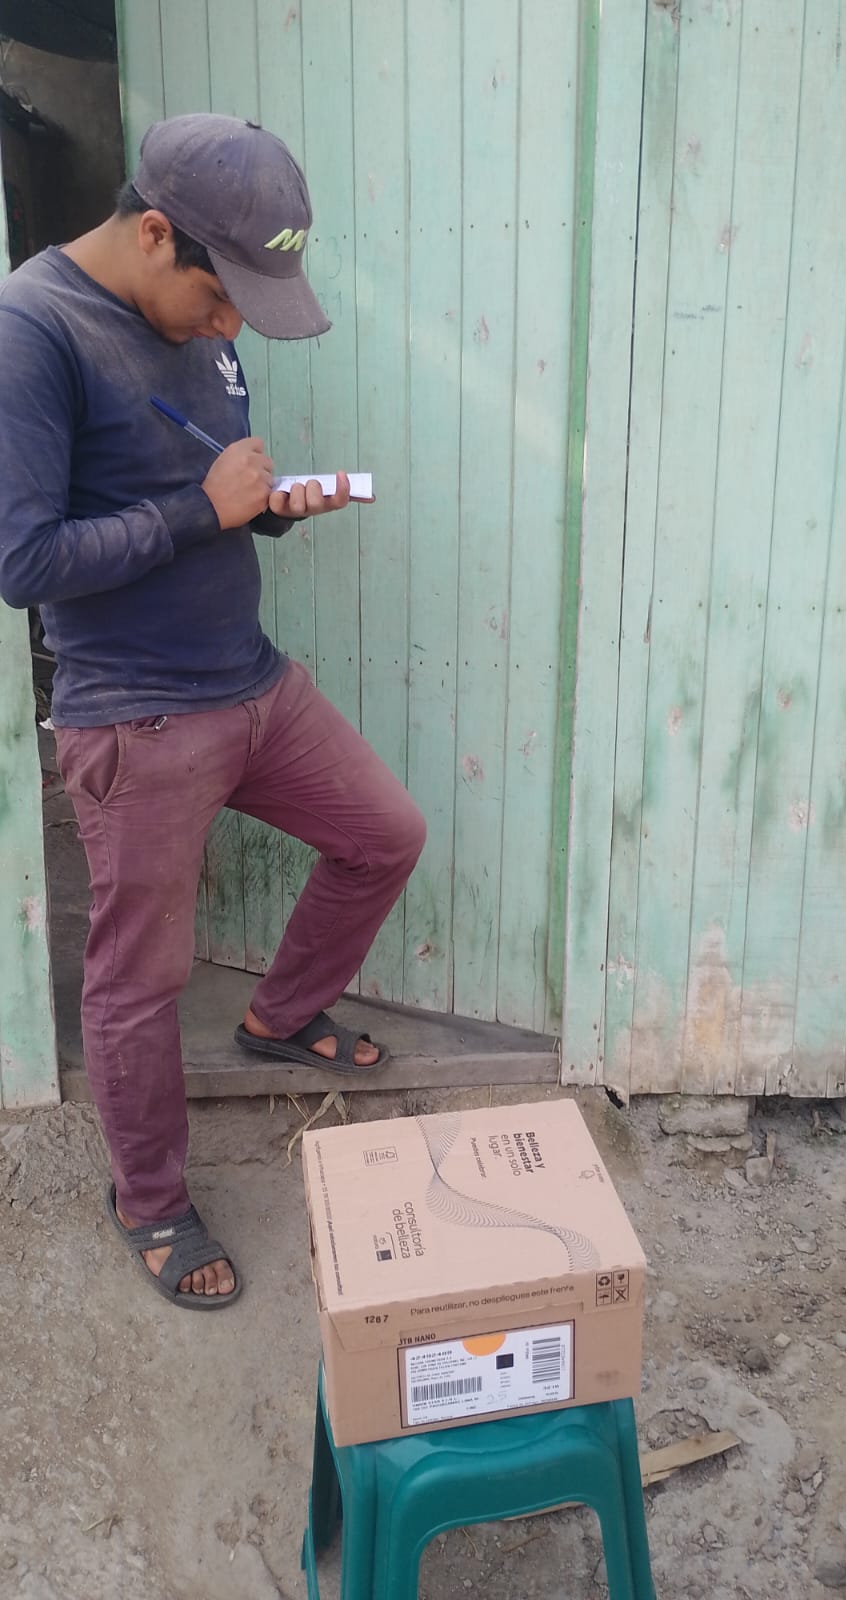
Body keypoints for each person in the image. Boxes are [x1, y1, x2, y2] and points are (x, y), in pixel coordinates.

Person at [0, 114, 426, 1311]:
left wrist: (271, 508)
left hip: (252, 681)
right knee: (139, 980)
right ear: (153, 233)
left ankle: (279, 1017)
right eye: (221, 296)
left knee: (385, 834)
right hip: (139, 719)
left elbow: (206, 482)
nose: (232, 326)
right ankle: (147, 1197)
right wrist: (205, 510)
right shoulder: (32, 331)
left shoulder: (196, 321)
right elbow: (23, 560)